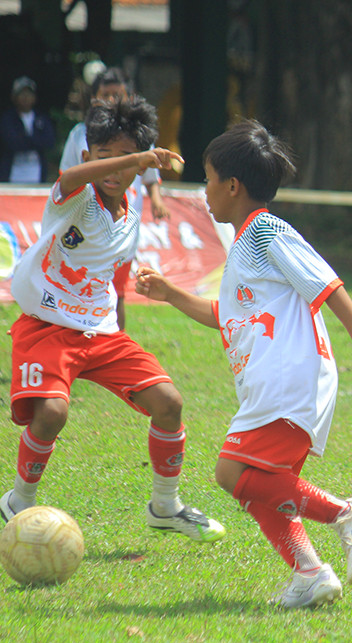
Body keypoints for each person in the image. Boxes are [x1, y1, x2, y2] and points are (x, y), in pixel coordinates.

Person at [134, 120, 352, 609]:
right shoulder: (244, 242)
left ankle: (347, 513)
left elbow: (326, 283)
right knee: (261, 484)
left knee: (232, 472)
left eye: (208, 180)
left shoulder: (265, 231)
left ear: (232, 185)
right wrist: (170, 293)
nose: (204, 192)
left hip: (289, 377)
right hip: (271, 382)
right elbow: (225, 316)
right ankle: (310, 574)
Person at [0, 97, 226, 546]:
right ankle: (18, 502)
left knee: (169, 403)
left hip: (100, 331)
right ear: (88, 158)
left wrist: (122, 317)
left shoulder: (129, 216)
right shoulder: (74, 198)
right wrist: (139, 158)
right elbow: (65, 178)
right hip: (47, 326)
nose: (115, 169)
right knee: (52, 414)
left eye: (126, 161)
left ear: (138, 172)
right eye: (106, 157)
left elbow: (114, 273)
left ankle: (165, 507)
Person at [60, 67, 171, 220]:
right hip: (87, 219)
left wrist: (157, 201)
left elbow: (151, 178)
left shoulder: (137, 135)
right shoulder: (79, 134)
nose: (111, 101)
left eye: (117, 96)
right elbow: (66, 177)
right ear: (94, 99)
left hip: (128, 217)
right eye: (105, 95)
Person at [0, 76, 56, 183]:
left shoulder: (41, 118)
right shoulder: (8, 119)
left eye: (29, 93)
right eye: (21, 93)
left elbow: (49, 141)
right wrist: (35, 140)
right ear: (14, 97)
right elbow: (12, 143)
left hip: (37, 171)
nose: (25, 97)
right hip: (13, 173)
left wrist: (27, 139)